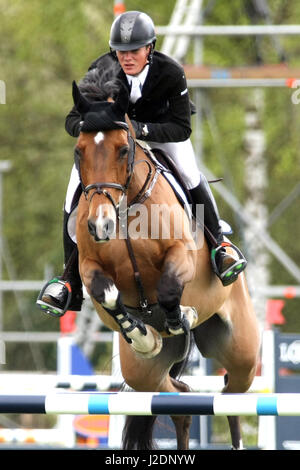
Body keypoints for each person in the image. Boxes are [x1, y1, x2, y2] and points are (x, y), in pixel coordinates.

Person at [37, 11, 246, 317]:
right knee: (73, 189)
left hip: (162, 134)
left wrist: (141, 131)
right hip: (112, 145)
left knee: (189, 173)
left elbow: (181, 128)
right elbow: (73, 119)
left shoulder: (171, 72)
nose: (127, 57)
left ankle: (219, 246)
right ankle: (68, 280)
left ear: (150, 48)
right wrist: (95, 125)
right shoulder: (102, 68)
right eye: (122, 51)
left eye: (135, 50)